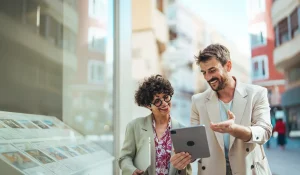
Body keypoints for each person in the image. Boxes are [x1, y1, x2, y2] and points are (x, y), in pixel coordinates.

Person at [170, 44, 273, 175]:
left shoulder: (257, 93)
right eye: (204, 72)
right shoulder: (198, 101)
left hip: (248, 169)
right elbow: (196, 143)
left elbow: (264, 132)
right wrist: (184, 156)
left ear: (228, 66)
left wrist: (234, 129)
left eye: (212, 70)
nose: (208, 77)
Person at [118, 75, 191, 175]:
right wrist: (132, 171)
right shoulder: (135, 126)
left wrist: (182, 166)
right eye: (157, 101)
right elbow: (124, 158)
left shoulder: (182, 130)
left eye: (166, 97)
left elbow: (187, 168)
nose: (164, 103)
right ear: (148, 105)